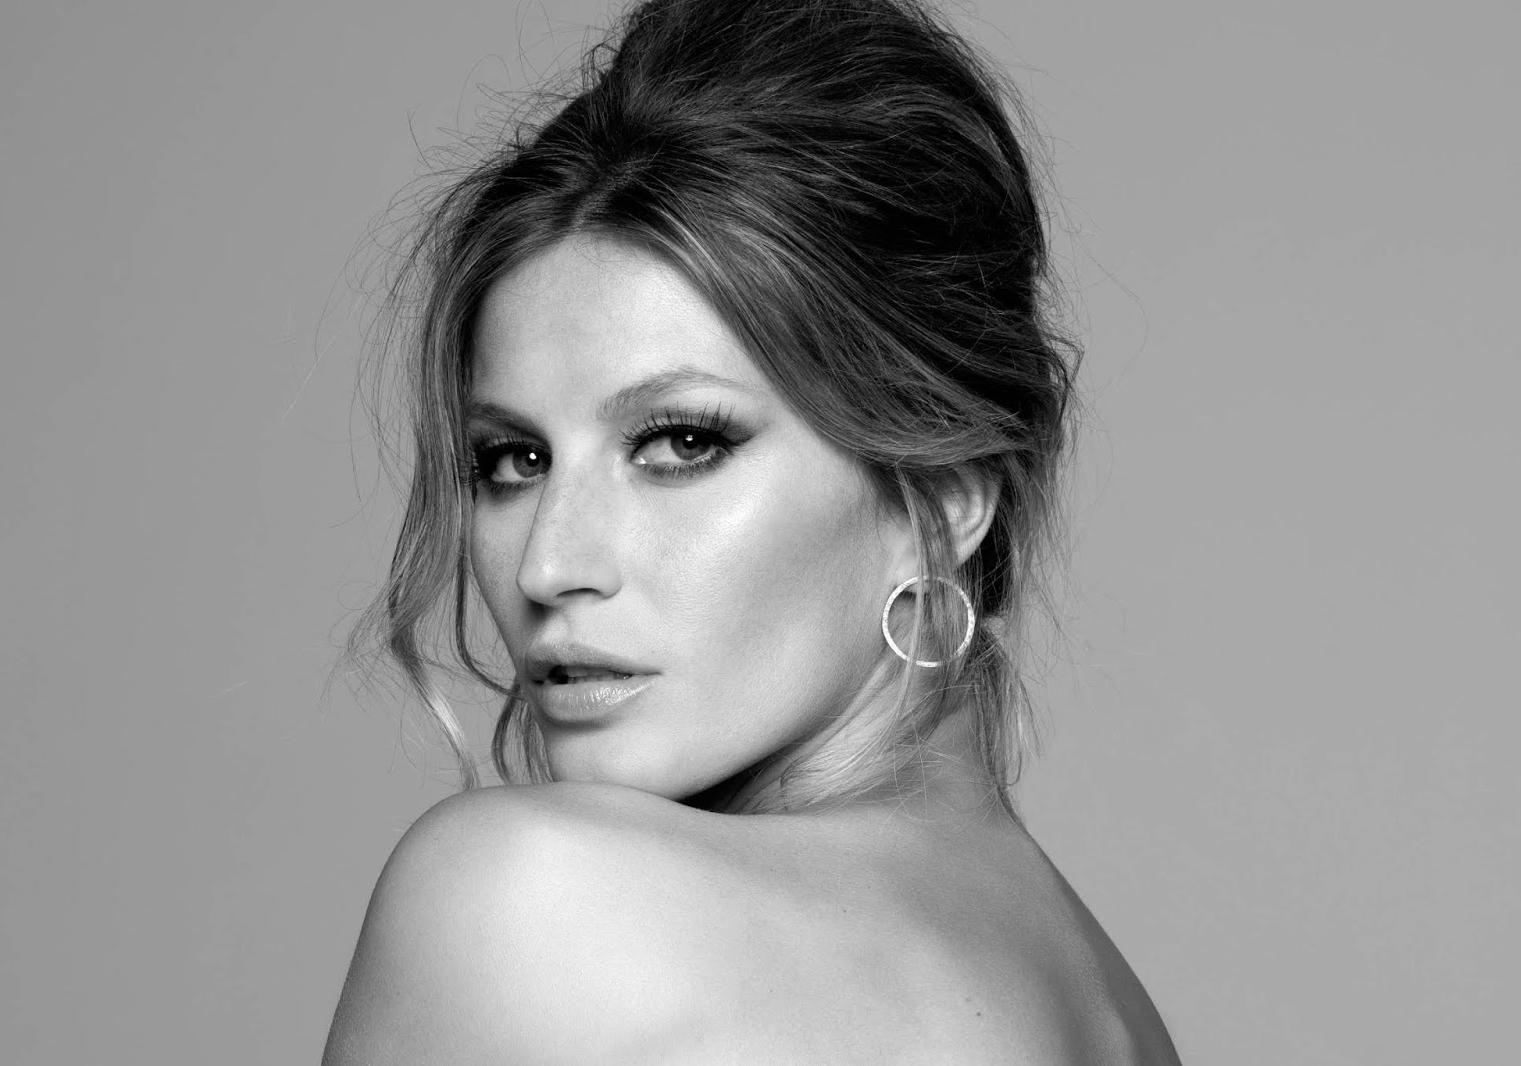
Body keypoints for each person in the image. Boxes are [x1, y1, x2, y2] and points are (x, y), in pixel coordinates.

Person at [323, 0, 1180, 1061]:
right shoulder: (1104, 1006)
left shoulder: (526, 899)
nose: (548, 564)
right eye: (514, 460)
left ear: (944, 496)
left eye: (681, 443)